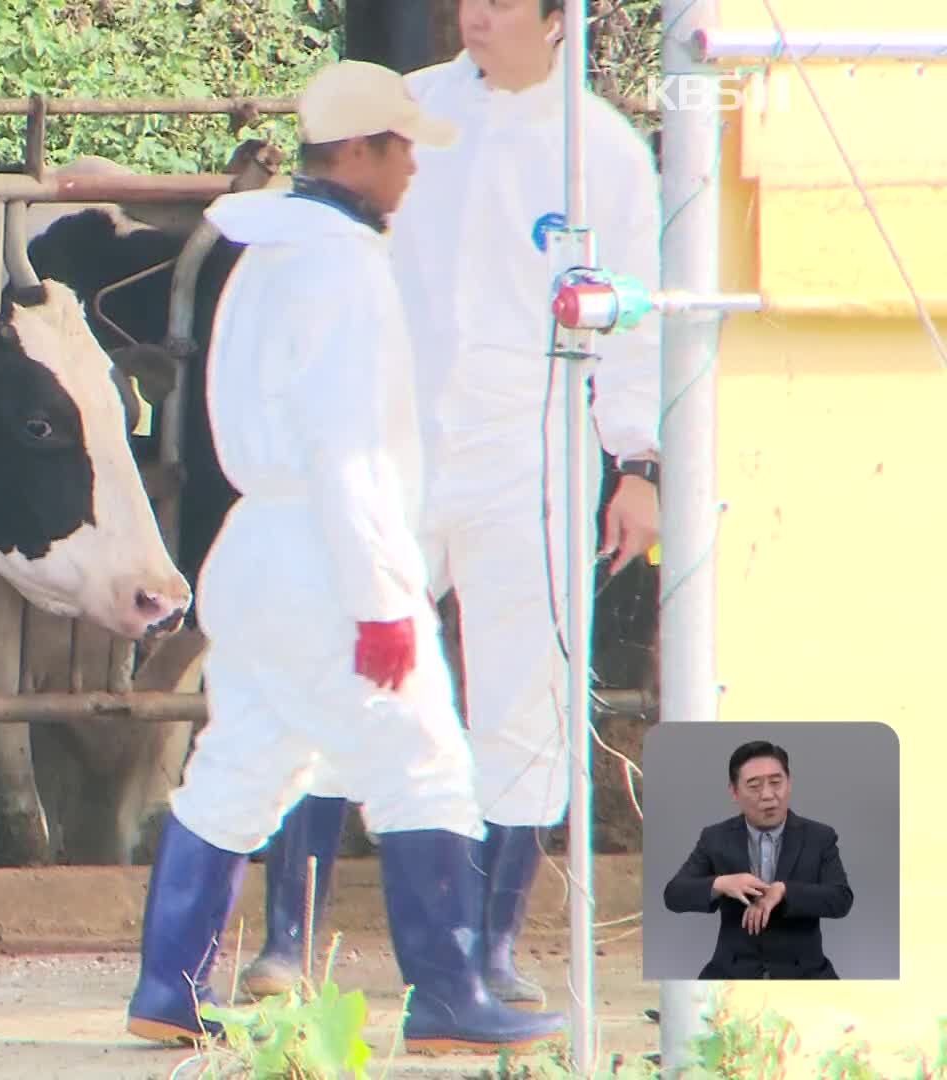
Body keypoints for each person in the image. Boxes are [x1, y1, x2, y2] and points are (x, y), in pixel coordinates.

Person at [123, 59, 566, 1055]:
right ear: (358, 152)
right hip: (331, 554)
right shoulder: (347, 271)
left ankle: (167, 983)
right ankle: (451, 997)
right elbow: (350, 450)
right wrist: (381, 600)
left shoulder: (263, 254)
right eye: (400, 148)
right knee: (429, 768)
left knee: (239, 768)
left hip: (257, 545)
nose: (413, 167)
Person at [245, 0, 666, 1008]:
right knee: (343, 659)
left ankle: (488, 949)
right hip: (398, 441)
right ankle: (284, 943)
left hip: (534, 449)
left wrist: (639, 462)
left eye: (501, 0)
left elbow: (637, 313)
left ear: (562, 17)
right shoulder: (412, 114)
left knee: (523, 694)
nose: (476, 14)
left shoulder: (603, 151)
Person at [661, 741, 855, 979]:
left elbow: (841, 899)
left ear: (789, 784)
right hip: (731, 972)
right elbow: (673, 895)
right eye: (754, 786)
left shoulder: (819, 837)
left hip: (805, 972)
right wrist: (722, 884)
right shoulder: (715, 838)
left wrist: (784, 892)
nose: (767, 795)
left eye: (776, 783)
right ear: (734, 792)